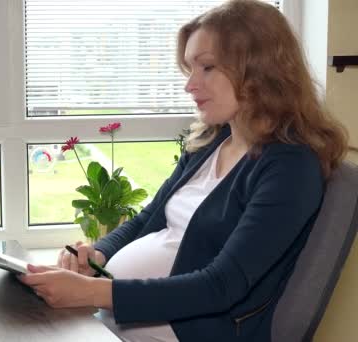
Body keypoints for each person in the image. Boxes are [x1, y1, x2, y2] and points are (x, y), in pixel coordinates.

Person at [19, 0, 349, 341]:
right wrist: (99, 254)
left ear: (259, 70)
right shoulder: (211, 143)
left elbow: (221, 286)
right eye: (190, 69)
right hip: (120, 318)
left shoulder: (291, 167)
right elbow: (147, 219)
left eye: (206, 67)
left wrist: (89, 291)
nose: (190, 84)